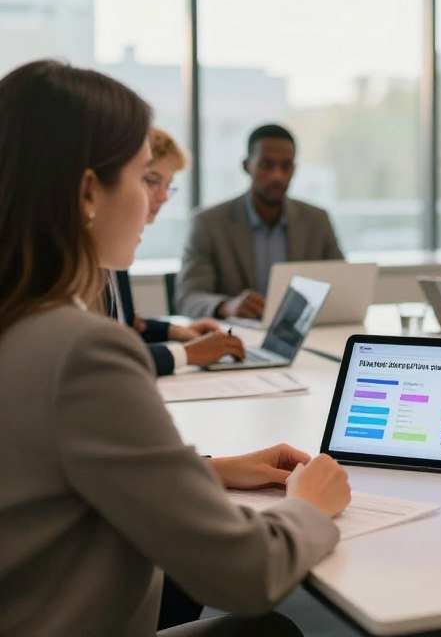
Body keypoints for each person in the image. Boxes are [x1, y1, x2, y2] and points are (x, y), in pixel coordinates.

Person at [0, 60, 352, 636]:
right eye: (145, 178)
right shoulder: (81, 350)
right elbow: (246, 576)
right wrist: (308, 505)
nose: (154, 200)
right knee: (267, 630)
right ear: (89, 193)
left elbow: (59, 475)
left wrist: (210, 471)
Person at [110, 127, 244, 375]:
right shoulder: (105, 250)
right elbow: (109, 357)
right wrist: (190, 353)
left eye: (168, 185)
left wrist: (178, 332)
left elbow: (126, 326)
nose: (162, 197)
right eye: (151, 181)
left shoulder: (118, 248)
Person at [175, 123, 343, 320]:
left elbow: (341, 288)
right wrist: (226, 306)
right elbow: (188, 298)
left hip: (301, 336)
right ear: (247, 166)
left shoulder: (317, 221)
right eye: (267, 165)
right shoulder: (209, 223)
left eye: (286, 166)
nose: (277, 176)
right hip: (237, 337)